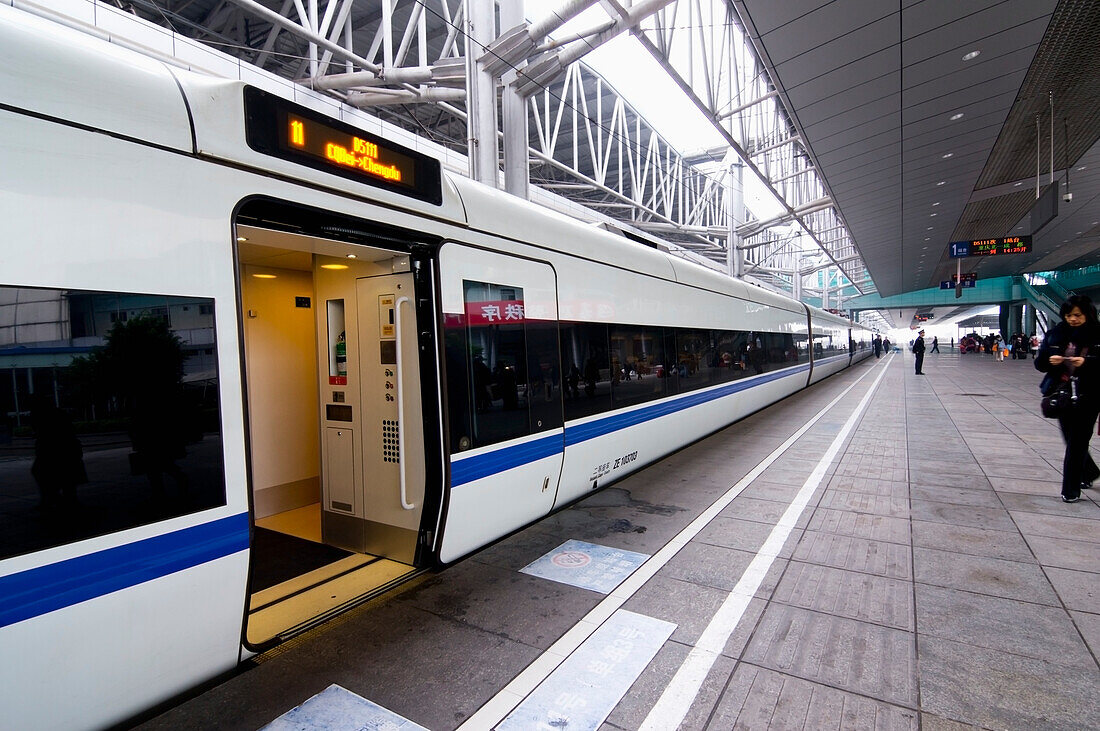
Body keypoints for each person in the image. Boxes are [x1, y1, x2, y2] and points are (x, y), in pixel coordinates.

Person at [1035, 295, 1100, 503]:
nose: (1072, 319)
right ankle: (1089, 471)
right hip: (1062, 393)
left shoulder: (1097, 335)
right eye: (1069, 315)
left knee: (1078, 441)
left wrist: (1088, 362)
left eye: (1077, 315)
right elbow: (1040, 364)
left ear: (1088, 314)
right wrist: (1049, 360)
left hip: (1089, 395)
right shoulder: (1055, 334)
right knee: (1072, 439)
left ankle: (1070, 489)